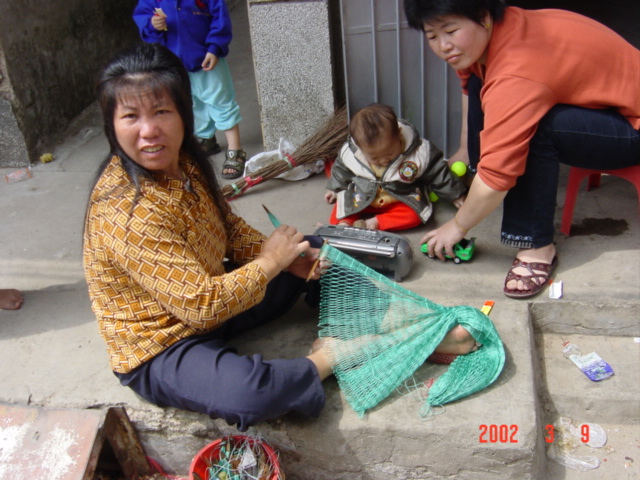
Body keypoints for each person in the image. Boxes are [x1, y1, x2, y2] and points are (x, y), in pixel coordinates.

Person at [83, 43, 478, 430]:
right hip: (163, 345)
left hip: (215, 302)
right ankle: (338, 353)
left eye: (162, 111)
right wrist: (271, 262)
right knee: (251, 394)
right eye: (131, 116)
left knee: (317, 249)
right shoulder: (124, 208)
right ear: (111, 126)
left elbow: (227, 228)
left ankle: (393, 321)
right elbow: (201, 307)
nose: (149, 131)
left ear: (184, 113)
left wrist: (287, 258)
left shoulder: (184, 161)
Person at [404, 0, 640, 298]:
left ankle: (537, 247)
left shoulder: (517, 68)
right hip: (604, 104)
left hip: (632, 127)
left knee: (533, 129)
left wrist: (457, 226)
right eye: (432, 36)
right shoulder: (494, 35)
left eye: (451, 30)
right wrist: (466, 149)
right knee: (482, 84)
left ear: (483, 16)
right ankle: (481, 182)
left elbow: (501, 173)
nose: (444, 46)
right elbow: (469, 87)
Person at [133, 0, 247, 179]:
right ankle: (205, 138)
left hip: (207, 59)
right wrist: (153, 25)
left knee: (221, 102)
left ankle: (235, 149)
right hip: (175, 64)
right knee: (190, 103)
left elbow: (220, 19)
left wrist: (215, 47)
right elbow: (145, 25)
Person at [325, 104, 466, 231]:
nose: (384, 160)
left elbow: (438, 172)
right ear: (360, 148)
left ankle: (375, 223)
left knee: (415, 215)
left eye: (390, 153)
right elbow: (341, 170)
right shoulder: (352, 154)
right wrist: (334, 188)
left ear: (399, 134)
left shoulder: (419, 153)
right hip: (361, 196)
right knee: (342, 205)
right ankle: (344, 225)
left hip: (400, 197)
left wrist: (455, 194)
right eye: (374, 158)